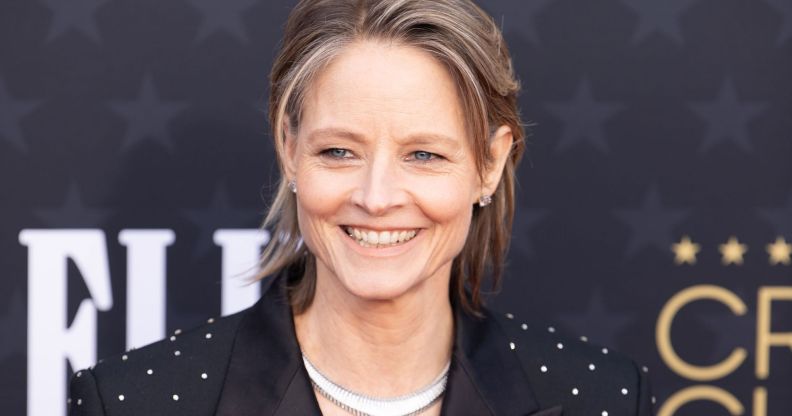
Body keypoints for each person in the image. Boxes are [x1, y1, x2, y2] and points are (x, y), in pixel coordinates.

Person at [69, 0, 654, 415]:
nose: (376, 198)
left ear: (490, 165)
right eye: (339, 150)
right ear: (289, 147)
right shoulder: (131, 402)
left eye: (423, 154)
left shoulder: (601, 398)